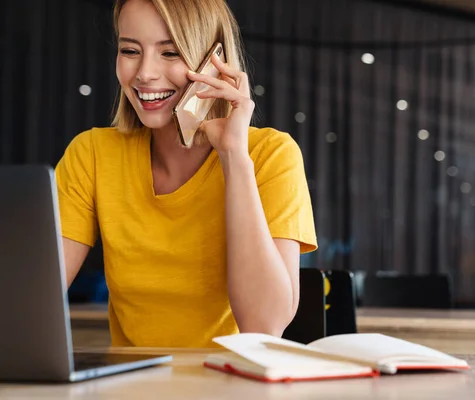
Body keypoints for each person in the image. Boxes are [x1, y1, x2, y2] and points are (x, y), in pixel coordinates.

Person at [55, 0, 317, 348]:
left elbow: (264, 325)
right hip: (132, 387)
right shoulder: (91, 154)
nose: (144, 73)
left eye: (171, 52)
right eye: (130, 49)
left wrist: (233, 156)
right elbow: (31, 294)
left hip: (232, 385)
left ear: (216, 62)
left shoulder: (270, 154)